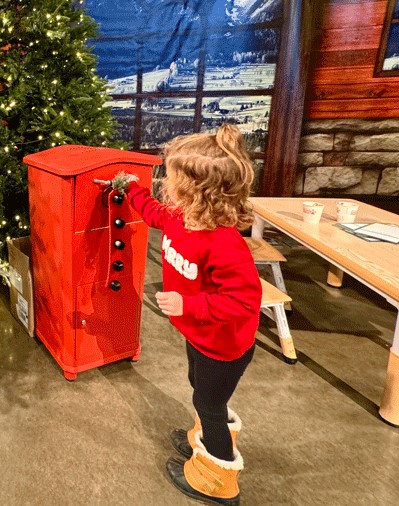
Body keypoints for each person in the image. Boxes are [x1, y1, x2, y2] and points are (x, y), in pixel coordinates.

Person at [115, 124, 261, 505]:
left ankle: (218, 480)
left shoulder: (225, 244)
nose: (166, 184)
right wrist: (131, 188)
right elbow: (152, 213)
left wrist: (188, 305)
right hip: (200, 336)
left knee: (209, 403)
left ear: (197, 190)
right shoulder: (181, 218)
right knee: (200, 391)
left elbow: (245, 302)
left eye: (173, 178)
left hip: (224, 346)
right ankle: (205, 440)